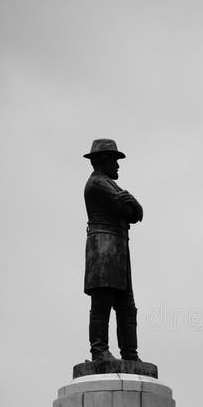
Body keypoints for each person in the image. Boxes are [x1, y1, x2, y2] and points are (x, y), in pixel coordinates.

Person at [83, 138, 144, 362]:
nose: (118, 166)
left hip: (117, 251)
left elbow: (136, 215)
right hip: (102, 250)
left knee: (126, 306)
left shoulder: (109, 183)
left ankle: (130, 355)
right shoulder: (98, 184)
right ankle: (99, 351)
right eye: (115, 161)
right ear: (103, 160)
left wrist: (135, 205)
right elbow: (127, 211)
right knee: (102, 303)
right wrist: (134, 205)